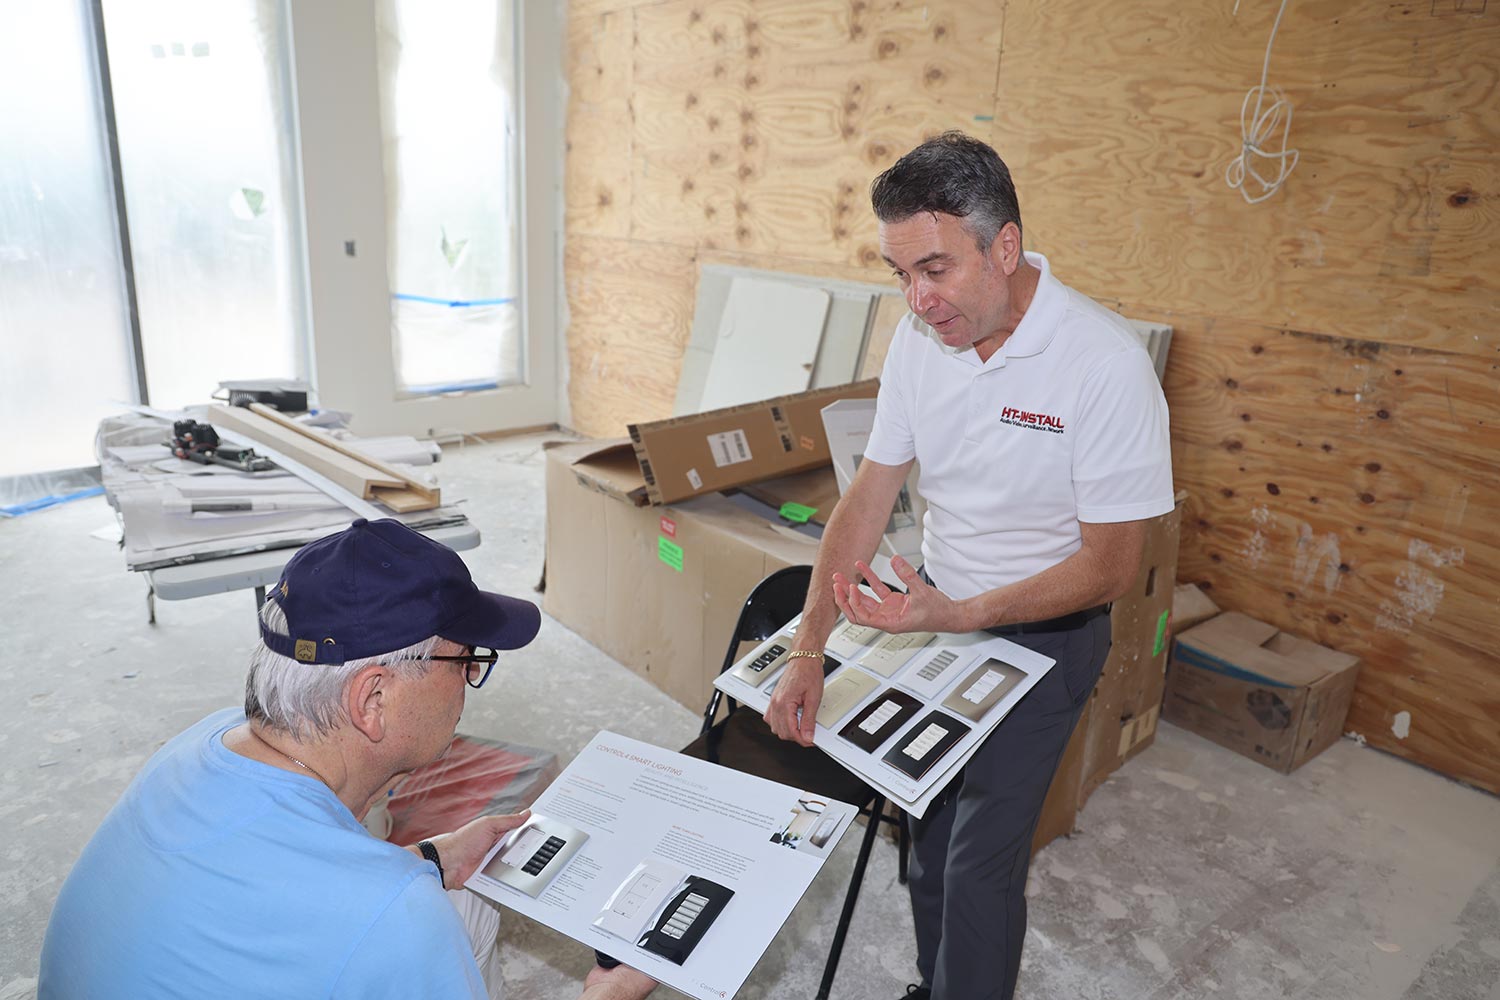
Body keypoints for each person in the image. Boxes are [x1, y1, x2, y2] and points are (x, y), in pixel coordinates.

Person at [764, 132, 1174, 1000]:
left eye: (937, 270)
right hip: (939, 620)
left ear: (1006, 247)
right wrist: (808, 648)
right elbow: (868, 499)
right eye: (900, 273)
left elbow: (1112, 567)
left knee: (980, 866)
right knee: (926, 842)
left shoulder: (1104, 365)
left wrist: (954, 615)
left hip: (1045, 641)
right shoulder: (923, 344)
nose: (918, 299)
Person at [39, 517, 657, 1000]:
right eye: (466, 660)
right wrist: (614, 990)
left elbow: (284, 896)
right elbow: (357, 910)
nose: (471, 678)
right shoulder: (394, 919)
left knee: (460, 899)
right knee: (433, 920)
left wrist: (435, 856)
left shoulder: (203, 744)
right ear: (374, 697)